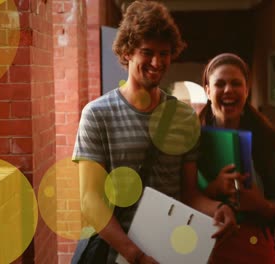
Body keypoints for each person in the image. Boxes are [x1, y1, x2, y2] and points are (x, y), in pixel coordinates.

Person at [72, 1, 236, 263]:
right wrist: (134, 255)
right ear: (127, 53)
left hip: (171, 251)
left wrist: (219, 208)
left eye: (165, 53)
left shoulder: (183, 117)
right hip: (118, 254)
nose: (157, 62)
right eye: (147, 52)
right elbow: (90, 201)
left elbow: (189, 194)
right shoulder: (97, 114)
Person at [198, 53, 275, 264]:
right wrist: (213, 189)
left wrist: (260, 204)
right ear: (208, 91)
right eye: (220, 84)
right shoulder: (192, 141)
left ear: (246, 91)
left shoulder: (267, 140)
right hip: (205, 248)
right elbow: (181, 196)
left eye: (236, 83)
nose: (228, 90)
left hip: (253, 248)